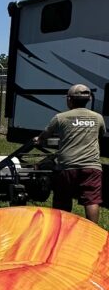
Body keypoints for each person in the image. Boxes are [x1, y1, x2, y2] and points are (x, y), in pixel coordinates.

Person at [35, 83, 105, 223]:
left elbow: (45, 136)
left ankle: (62, 230)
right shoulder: (98, 118)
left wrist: (39, 139)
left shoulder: (61, 118)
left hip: (67, 166)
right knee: (91, 200)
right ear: (89, 99)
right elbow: (100, 134)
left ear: (69, 99)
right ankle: (93, 232)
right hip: (92, 167)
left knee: (63, 199)